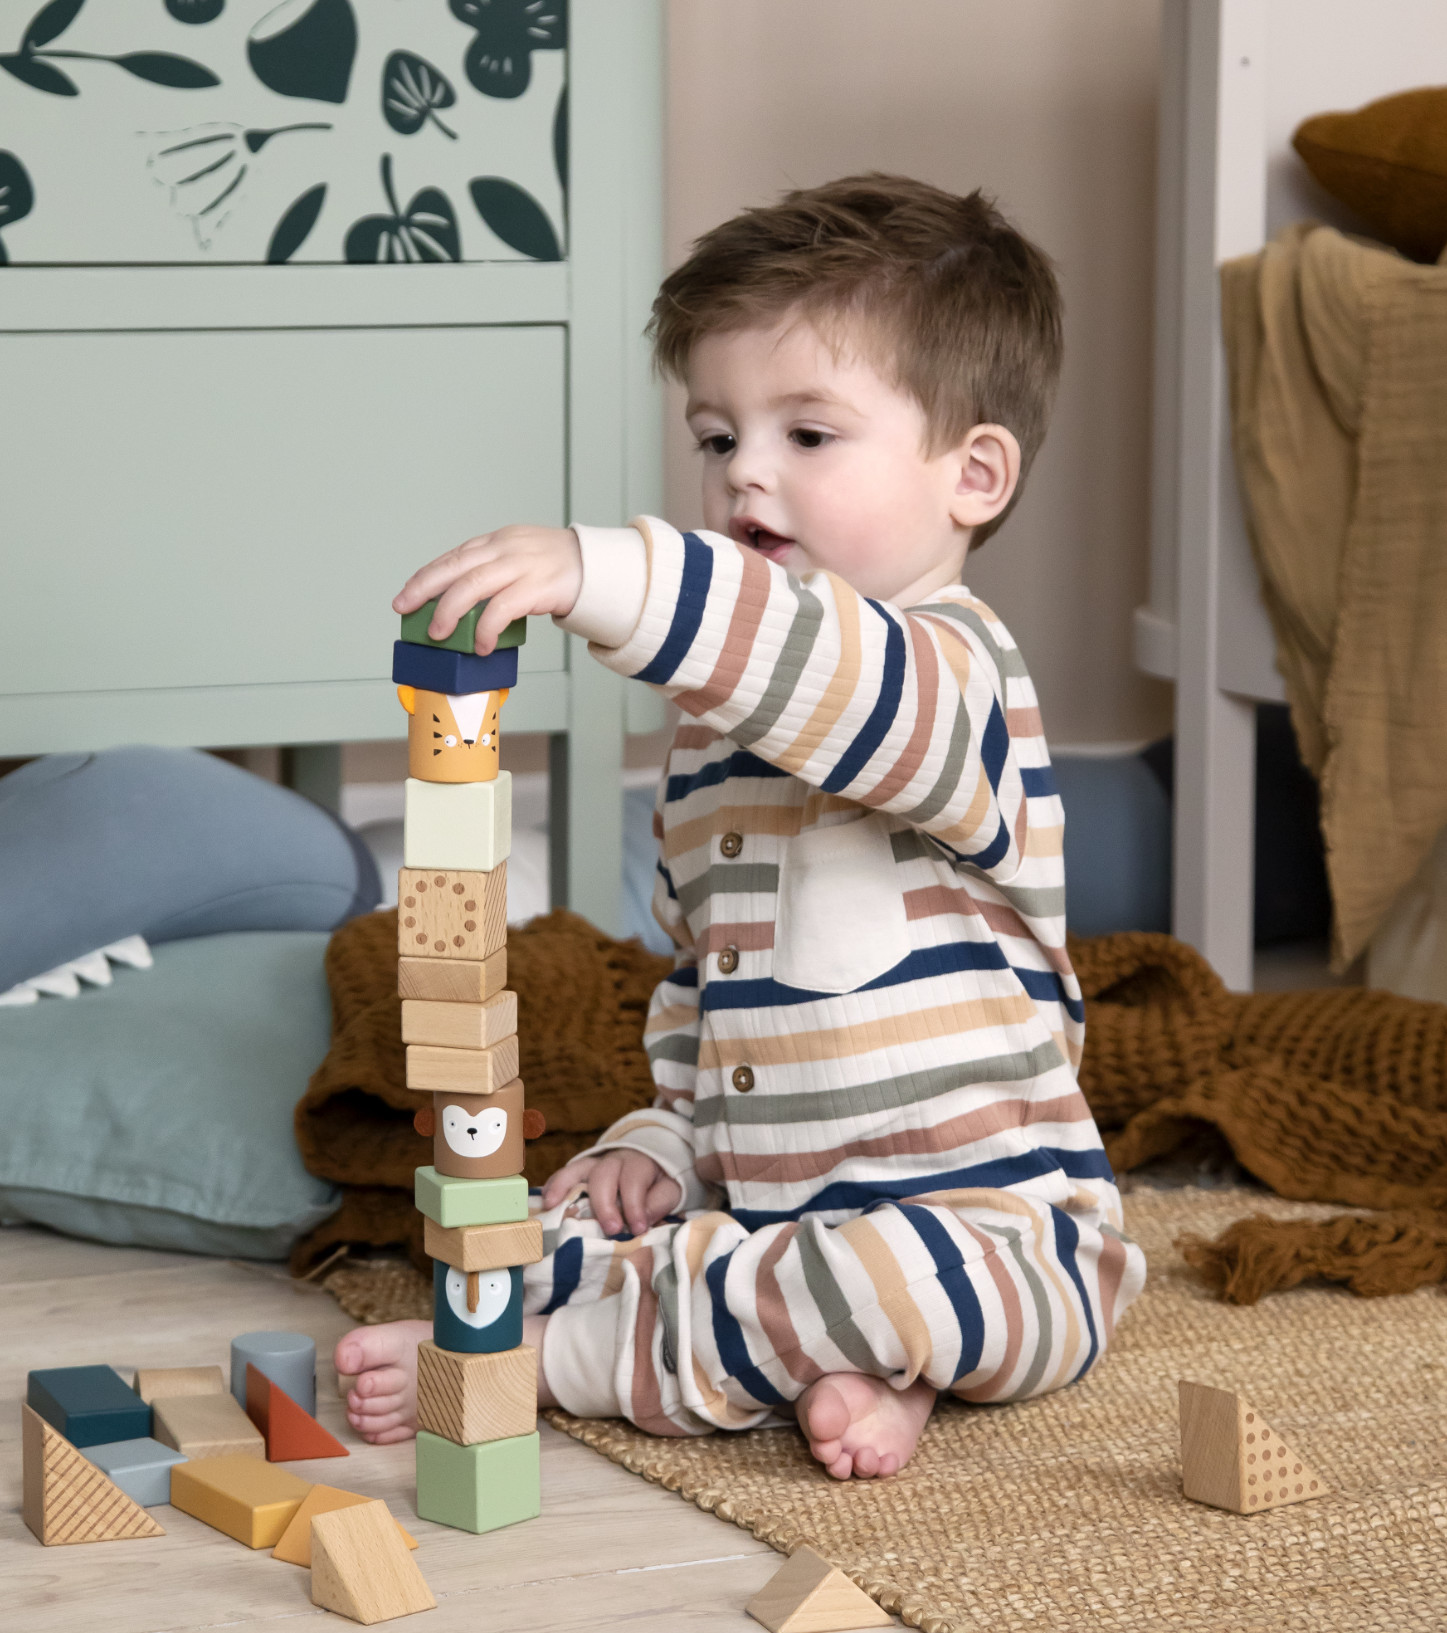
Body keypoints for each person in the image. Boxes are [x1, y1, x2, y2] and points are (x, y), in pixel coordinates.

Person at [335, 173, 1146, 1480]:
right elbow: (706, 988)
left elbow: (821, 670)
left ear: (973, 474)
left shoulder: (958, 683)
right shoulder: (713, 746)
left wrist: (606, 572)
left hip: (994, 1234)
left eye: (808, 435)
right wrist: (661, 1141)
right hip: (768, 1213)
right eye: (717, 439)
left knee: (900, 1281)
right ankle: (823, 1359)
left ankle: (563, 1364)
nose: (745, 472)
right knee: (549, 1229)